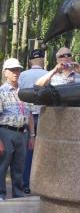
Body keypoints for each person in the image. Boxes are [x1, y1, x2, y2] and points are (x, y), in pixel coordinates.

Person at [0, 58, 35, 201]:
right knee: (2, 166)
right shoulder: (1, 92)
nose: (16, 72)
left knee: (19, 167)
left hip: (22, 133)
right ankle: (1, 195)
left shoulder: (24, 92)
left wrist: (32, 135)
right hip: (5, 132)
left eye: (18, 69)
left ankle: (18, 196)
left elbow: (30, 114)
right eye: (12, 70)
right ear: (5, 73)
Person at [18, 49, 48, 194]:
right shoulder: (48, 74)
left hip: (26, 116)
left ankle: (25, 183)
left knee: (26, 152)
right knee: (43, 151)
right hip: (44, 115)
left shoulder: (22, 75)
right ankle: (40, 183)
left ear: (30, 61)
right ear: (42, 60)